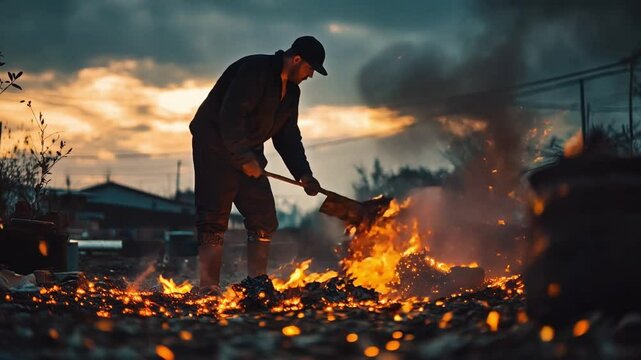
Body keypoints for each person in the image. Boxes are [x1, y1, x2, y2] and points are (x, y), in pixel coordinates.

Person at [189, 36, 327, 290]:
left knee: (263, 215)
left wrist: (303, 174)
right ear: (296, 59)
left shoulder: (291, 93)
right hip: (215, 147)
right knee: (213, 216)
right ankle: (208, 287)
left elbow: (288, 137)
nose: (310, 76)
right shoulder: (255, 70)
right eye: (310, 69)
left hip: (248, 153)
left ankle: (257, 284)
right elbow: (230, 117)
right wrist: (243, 158)